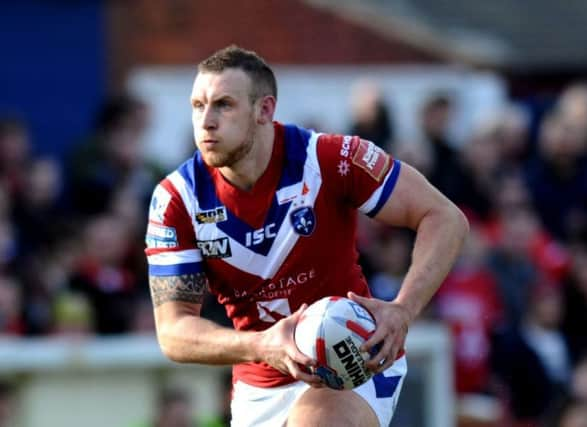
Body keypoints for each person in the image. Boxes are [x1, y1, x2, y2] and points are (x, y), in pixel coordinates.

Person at [145, 45, 468, 427]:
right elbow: (173, 333)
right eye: (198, 105)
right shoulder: (176, 199)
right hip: (259, 386)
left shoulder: (329, 159)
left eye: (223, 105)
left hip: (350, 361)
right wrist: (262, 345)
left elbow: (445, 217)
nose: (206, 121)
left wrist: (403, 309)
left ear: (264, 110)